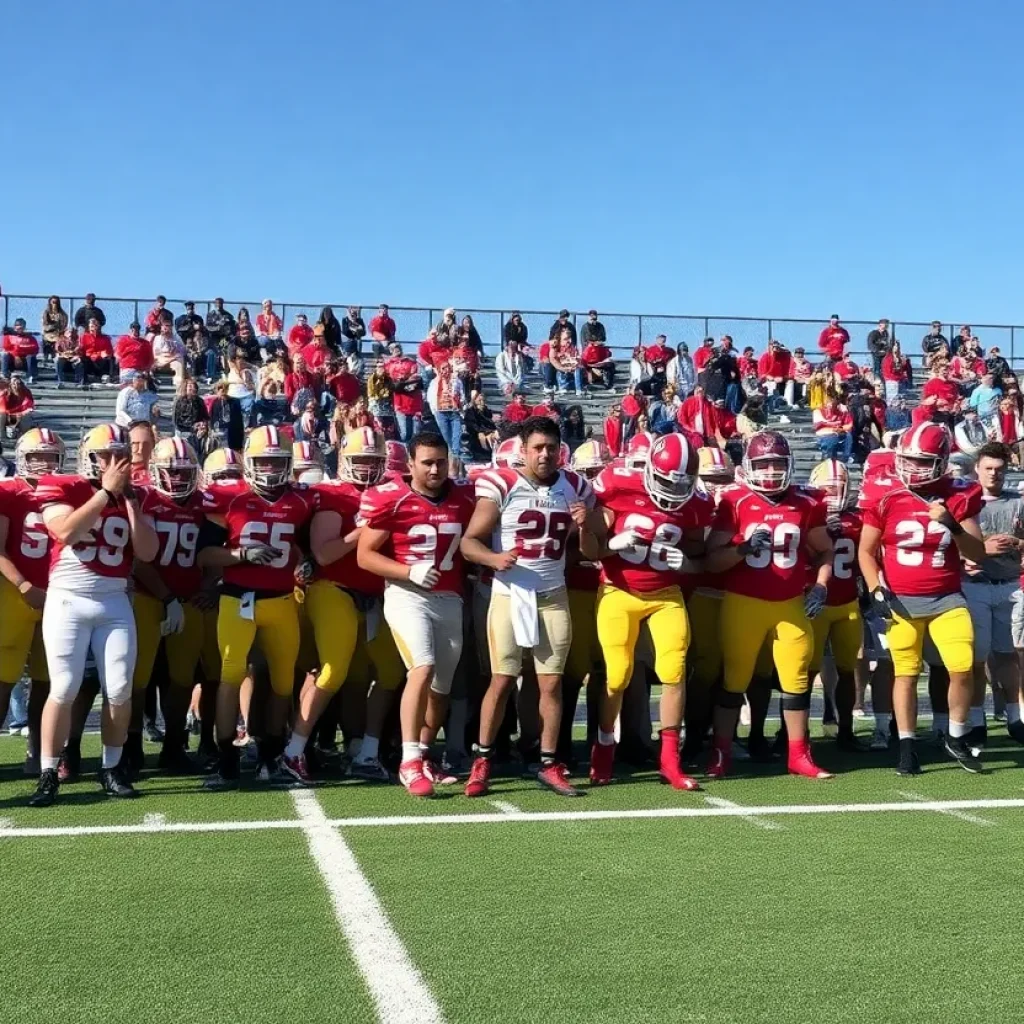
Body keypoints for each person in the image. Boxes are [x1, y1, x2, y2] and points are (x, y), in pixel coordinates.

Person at [460, 416, 597, 797]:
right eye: (537, 447)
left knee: (550, 683)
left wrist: (586, 526)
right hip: (510, 593)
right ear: (522, 450)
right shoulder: (503, 483)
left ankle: (549, 763)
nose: (544, 454)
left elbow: (593, 552)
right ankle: (483, 759)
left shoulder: (575, 486)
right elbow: (469, 542)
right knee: (502, 679)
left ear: (560, 451)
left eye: (551, 448)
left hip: (553, 594)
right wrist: (492, 559)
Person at [29, 423, 160, 806]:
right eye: (105, 455)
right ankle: (49, 771)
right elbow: (66, 532)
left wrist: (132, 502)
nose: (113, 462)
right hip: (68, 597)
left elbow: (149, 553)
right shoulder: (64, 486)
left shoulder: (137, 494)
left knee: (119, 688)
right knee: (65, 687)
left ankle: (111, 767)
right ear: (88, 456)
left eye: (119, 454)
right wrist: (105, 493)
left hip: (114, 599)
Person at [581, 432, 712, 789]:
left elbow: (700, 560)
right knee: (618, 674)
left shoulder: (698, 503)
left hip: (666, 593)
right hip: (618, 590)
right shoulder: (619, 483)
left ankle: (670, 758)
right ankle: (604, 746)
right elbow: (588, 543)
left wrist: (685, 563)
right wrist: (611, 545)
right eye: (668, 482)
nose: (673, 492)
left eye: (681, 484)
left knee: (674, 670)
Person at [703, 430, 834, 780]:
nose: (772, 470)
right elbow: (712, 561)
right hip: (743, 603)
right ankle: (722, 752)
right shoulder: (734, 500)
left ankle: (798, 754)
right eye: (764, 463)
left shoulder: (807, 501)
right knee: (735, 680)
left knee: (796, 680)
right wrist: (743, 548)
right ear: (749, 466)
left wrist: (820, 585)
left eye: (777, 463)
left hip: (790, 603)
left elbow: (824, 549)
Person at [858, 423, 987, 775]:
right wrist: (875, 588)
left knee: (962, 667)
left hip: (947, 597)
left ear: (943, 461)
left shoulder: (960, 495)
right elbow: (867, 552)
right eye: (909, 460)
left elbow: (979, 553)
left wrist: (953, 525)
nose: (913, 468)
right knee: (906, 674)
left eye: (922, 461)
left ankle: (956, 735)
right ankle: (907, 745)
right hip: (900, 599)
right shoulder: (884, 493)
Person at [356, 432, 476, 797]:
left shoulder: (464, 497)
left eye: (440, 461)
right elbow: (365, 556)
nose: (435, 468)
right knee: (421, 668)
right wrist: (408, 571)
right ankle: (408, 761)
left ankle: (424, 754)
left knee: (440, 689)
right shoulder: (393, 498)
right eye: (427, 462)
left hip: (449, 599)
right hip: (407, 594)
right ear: (410, 465)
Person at [198, 425, 317, 789]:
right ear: (249, 463)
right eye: (262, 461)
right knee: (230, 675)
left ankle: (270, 753)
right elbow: (204, 554)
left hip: (281, 600)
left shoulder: (302, 501)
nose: (268, 469)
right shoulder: (226, 497)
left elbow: (305, 546)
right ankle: (226, 758)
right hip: (238, 597)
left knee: (283, 680)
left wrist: (307, 561)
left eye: (275, 461)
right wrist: (240, 554)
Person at [126, 438, 210, 776]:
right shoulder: (142, 499)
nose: (176, 478)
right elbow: (134, 558)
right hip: (148, 598)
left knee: (182, 678)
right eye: (170, 471)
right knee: (137, 677)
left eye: (183, 472)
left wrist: (207, 585)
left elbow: (215, 550)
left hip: (188, 599)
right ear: (154, 471)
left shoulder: (205, 503)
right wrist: (165, 596)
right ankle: (129, 746)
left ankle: (174, 745)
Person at [0, 428, 64, 772]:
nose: (43, 463)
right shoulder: (8, 491)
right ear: (22, 457)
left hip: (57, 594)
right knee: (3, 677)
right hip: (14, 594)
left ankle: (38, 751)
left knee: (48, 678)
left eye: (50, 456)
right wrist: (24, 585)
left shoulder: (69, 491)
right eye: (36, 456)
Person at [959, 443, 1024, 749]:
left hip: (1010, 584)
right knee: (977, 657)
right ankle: (977, 719)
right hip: (975, 585)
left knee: (1008, 654)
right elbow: (948, 543)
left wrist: (1019, 545)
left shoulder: (1018, 502)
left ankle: (1014, 717)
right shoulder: (964, 500)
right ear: (977, 469)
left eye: (999, 469)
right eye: (988, 468)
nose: (994, 474)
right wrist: (979, 549)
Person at [806, 459, 865, 750]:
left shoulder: (858, 519)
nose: (834, 492)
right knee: (803, 671)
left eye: (840, 486)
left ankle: (846, 729)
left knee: (846, 669)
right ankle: (795, 733)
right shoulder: (807, 514)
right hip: (814, 604)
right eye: (828, 487)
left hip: (847, 603)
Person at [385, 343, 423, 442]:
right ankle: (406, 455)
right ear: (390, 351)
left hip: (414, 403)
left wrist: (405, 382)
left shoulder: (410, 362)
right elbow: (391, 381)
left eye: (398, 348)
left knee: (417, 433)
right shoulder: (388, 365)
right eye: (393, 349)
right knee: (405, 434)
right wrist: (401, 382)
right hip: (400, 403)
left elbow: (416, 377)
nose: (396, 350)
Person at [427, 362, 465, 456]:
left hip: (454, 412)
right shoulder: (435, 382)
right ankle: (450, 458)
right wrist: (434, 411)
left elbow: (462, 394)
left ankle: (455, 458)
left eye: (448, 368)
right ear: (440, 369)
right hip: (441, 412)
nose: (446, 370)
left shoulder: (456, 381)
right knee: (446, 438)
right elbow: (430, 397)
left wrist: (462, 407)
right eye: (443, 368)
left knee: (457, 437)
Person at [812, 394, 855, 463]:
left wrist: (841, 429)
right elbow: (818, 430)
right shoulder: (818, 411)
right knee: (832, 438)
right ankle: (828, 458)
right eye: (829, 401)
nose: (831, 404)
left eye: (833, 401)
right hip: (824, 435)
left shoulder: (842, 410)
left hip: (839, 433)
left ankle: (846, 458)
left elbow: (849, 425)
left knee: (848, 436)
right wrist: (833, 430)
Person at [172, 378, 208, 448]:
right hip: (183, 433)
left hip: (197, 433)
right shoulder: (179, 401)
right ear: (185, 388)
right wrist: (192, 426)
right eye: (190, 386)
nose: (193, 388)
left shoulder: (200, 401)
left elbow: (205, 417)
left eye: (194, 386)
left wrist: (203, 425)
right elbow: (176, 421)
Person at [151, 321, 187, 389]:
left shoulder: (177, 338)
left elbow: (183, 351)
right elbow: (156, 353)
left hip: (173, 359)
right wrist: (164, 338)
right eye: (165, 326)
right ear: (161, 327)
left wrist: (175, 346)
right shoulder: (157, 338)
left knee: (179, 364)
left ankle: (179, 387)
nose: (167, 328)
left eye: (169, 326)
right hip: (161, 360)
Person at [464, 391, 498, 460]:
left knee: (496, 434)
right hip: (476, 432)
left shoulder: (486, 410)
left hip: (486, 430)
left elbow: (489, 422)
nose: (482, 402)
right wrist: (484, 430)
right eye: (480, 400)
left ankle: (494, 452)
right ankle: (486, 452)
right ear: (475, 400)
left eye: (483, 400)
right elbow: (473, 425)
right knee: (482, 436)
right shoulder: (470, 411)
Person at [226, 350, 258, 425]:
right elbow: (229, 359)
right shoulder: (232, 368)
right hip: (233, 396)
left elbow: (251, 387)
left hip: (245, 396)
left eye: (242, 361)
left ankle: (248, 422)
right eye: (238, 359)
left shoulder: (246, 371)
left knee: (249, 406)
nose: (241, 362)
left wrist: (247, 383)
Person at [991, 394, 1024, 464]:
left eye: (1010, 405)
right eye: (1004, 404)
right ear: (1000, 406)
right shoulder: (996, 417)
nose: (1007, 406)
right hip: (1001, 439)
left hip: (1015, 438)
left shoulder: (1017, 415)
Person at [550, 329, 584, 394]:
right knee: (560, 372)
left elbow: (576, 358)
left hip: (571, 367)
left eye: (569, 338)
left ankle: (579, 389)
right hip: (561, 367)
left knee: (578, 370)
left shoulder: (572, 347)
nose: (569, 341)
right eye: (566, 339)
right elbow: (553, 359)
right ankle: (562, 387)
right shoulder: (556, 347)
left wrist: (574, 363)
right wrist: (563, 367)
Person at [40, 296, 69, 361]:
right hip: (48, 333)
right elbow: (45, 325)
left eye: (56, 302)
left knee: (60, 339)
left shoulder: (63, 314)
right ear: (50, 302)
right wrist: (52, 326)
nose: (54, 304)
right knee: (46, 339)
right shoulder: (46, 313)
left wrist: (58, 331)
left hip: (58, 333)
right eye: (53, 302)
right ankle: (46, 358)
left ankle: (56, 356)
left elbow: (64, 325)